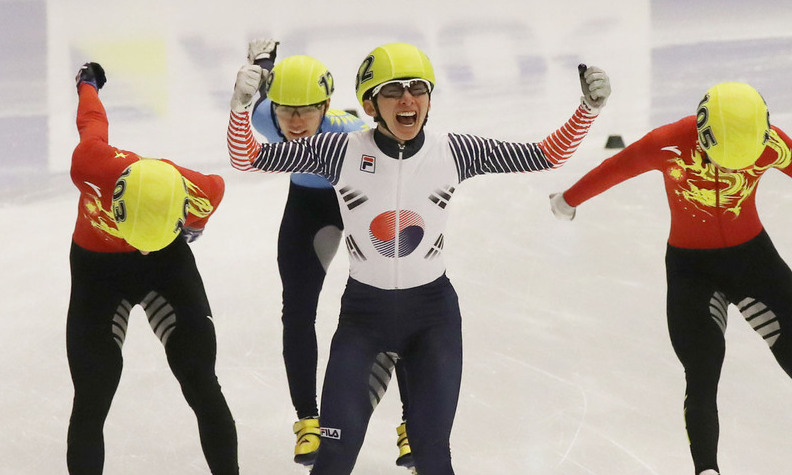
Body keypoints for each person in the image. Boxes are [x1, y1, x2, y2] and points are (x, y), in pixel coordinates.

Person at [227, 42, 610, 474]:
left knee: (432, 459)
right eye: (394, 91)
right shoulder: (340, 150)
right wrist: (240, 108)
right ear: (370, 103)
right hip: (363, 322)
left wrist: (588, 109)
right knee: (333, 460)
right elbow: (247, 158)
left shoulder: (455, 150)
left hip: (432, 322)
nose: (408, 99)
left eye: (418, 89)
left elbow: (547, 155)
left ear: (429, 99)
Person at [549, 82, 792, 475]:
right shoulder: (670, 142)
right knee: (703, 368)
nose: (729, 169)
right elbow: (616, 168)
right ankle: (707, 470)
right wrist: (568, 199)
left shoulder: (773, 143)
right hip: (691, 271)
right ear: (702, 132)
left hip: (754, 261)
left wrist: (566, 204)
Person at [234, 39, 415, 469]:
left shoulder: (352, 135)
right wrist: (263, 63)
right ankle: (307, 422)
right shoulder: (265, 115)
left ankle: (414, 425)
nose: (294, 123)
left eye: (307, 111)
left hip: (355, 204)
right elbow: (260, 99)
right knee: (296, 311)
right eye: (286, 111)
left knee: (400, 300)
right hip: (306, 209)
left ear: (326, 105)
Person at [68, 62, 237, 474]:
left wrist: (188, 232)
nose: (141, 250)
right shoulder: (89, 165)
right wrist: (87, 84)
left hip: (166, 266)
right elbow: (92, 120)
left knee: (199, 378)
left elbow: (211, 198)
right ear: (116, 205)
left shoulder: (203, 191)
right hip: (98, 269)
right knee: (93, 392)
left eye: (151, 241)